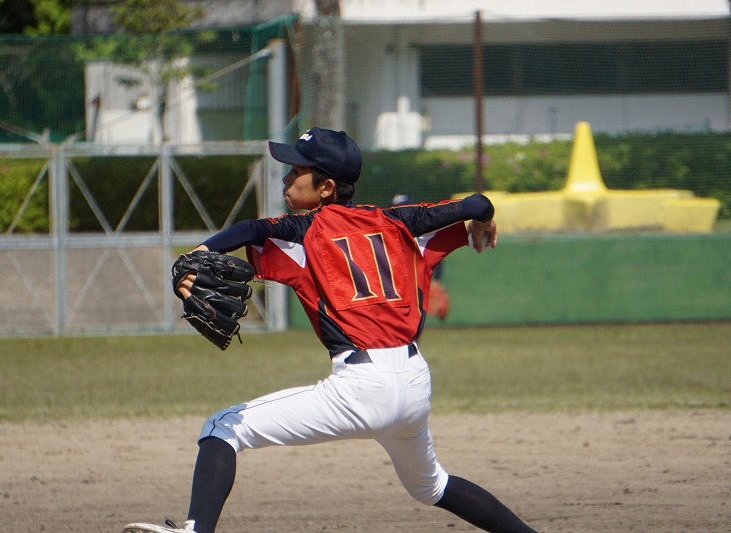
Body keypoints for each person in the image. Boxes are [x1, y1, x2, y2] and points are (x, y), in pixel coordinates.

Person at [123, 127, 538, 533]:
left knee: (223, 428)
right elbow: (476, 203)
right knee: (432, 485)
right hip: (413, 383)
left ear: (326, 188)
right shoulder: (398, 222)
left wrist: (198, 254)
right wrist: (482, 221)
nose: (286, 179)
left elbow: (251, 230)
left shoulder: (305, 233)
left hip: (360, 387)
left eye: (295, 171)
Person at [391, 193, 449, 320]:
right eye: (399, 208)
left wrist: (436, 280)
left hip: (415, 285)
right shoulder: (388, 235)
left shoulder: (422, 232)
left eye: (406, 207)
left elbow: (435, 255)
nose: (403, 211)